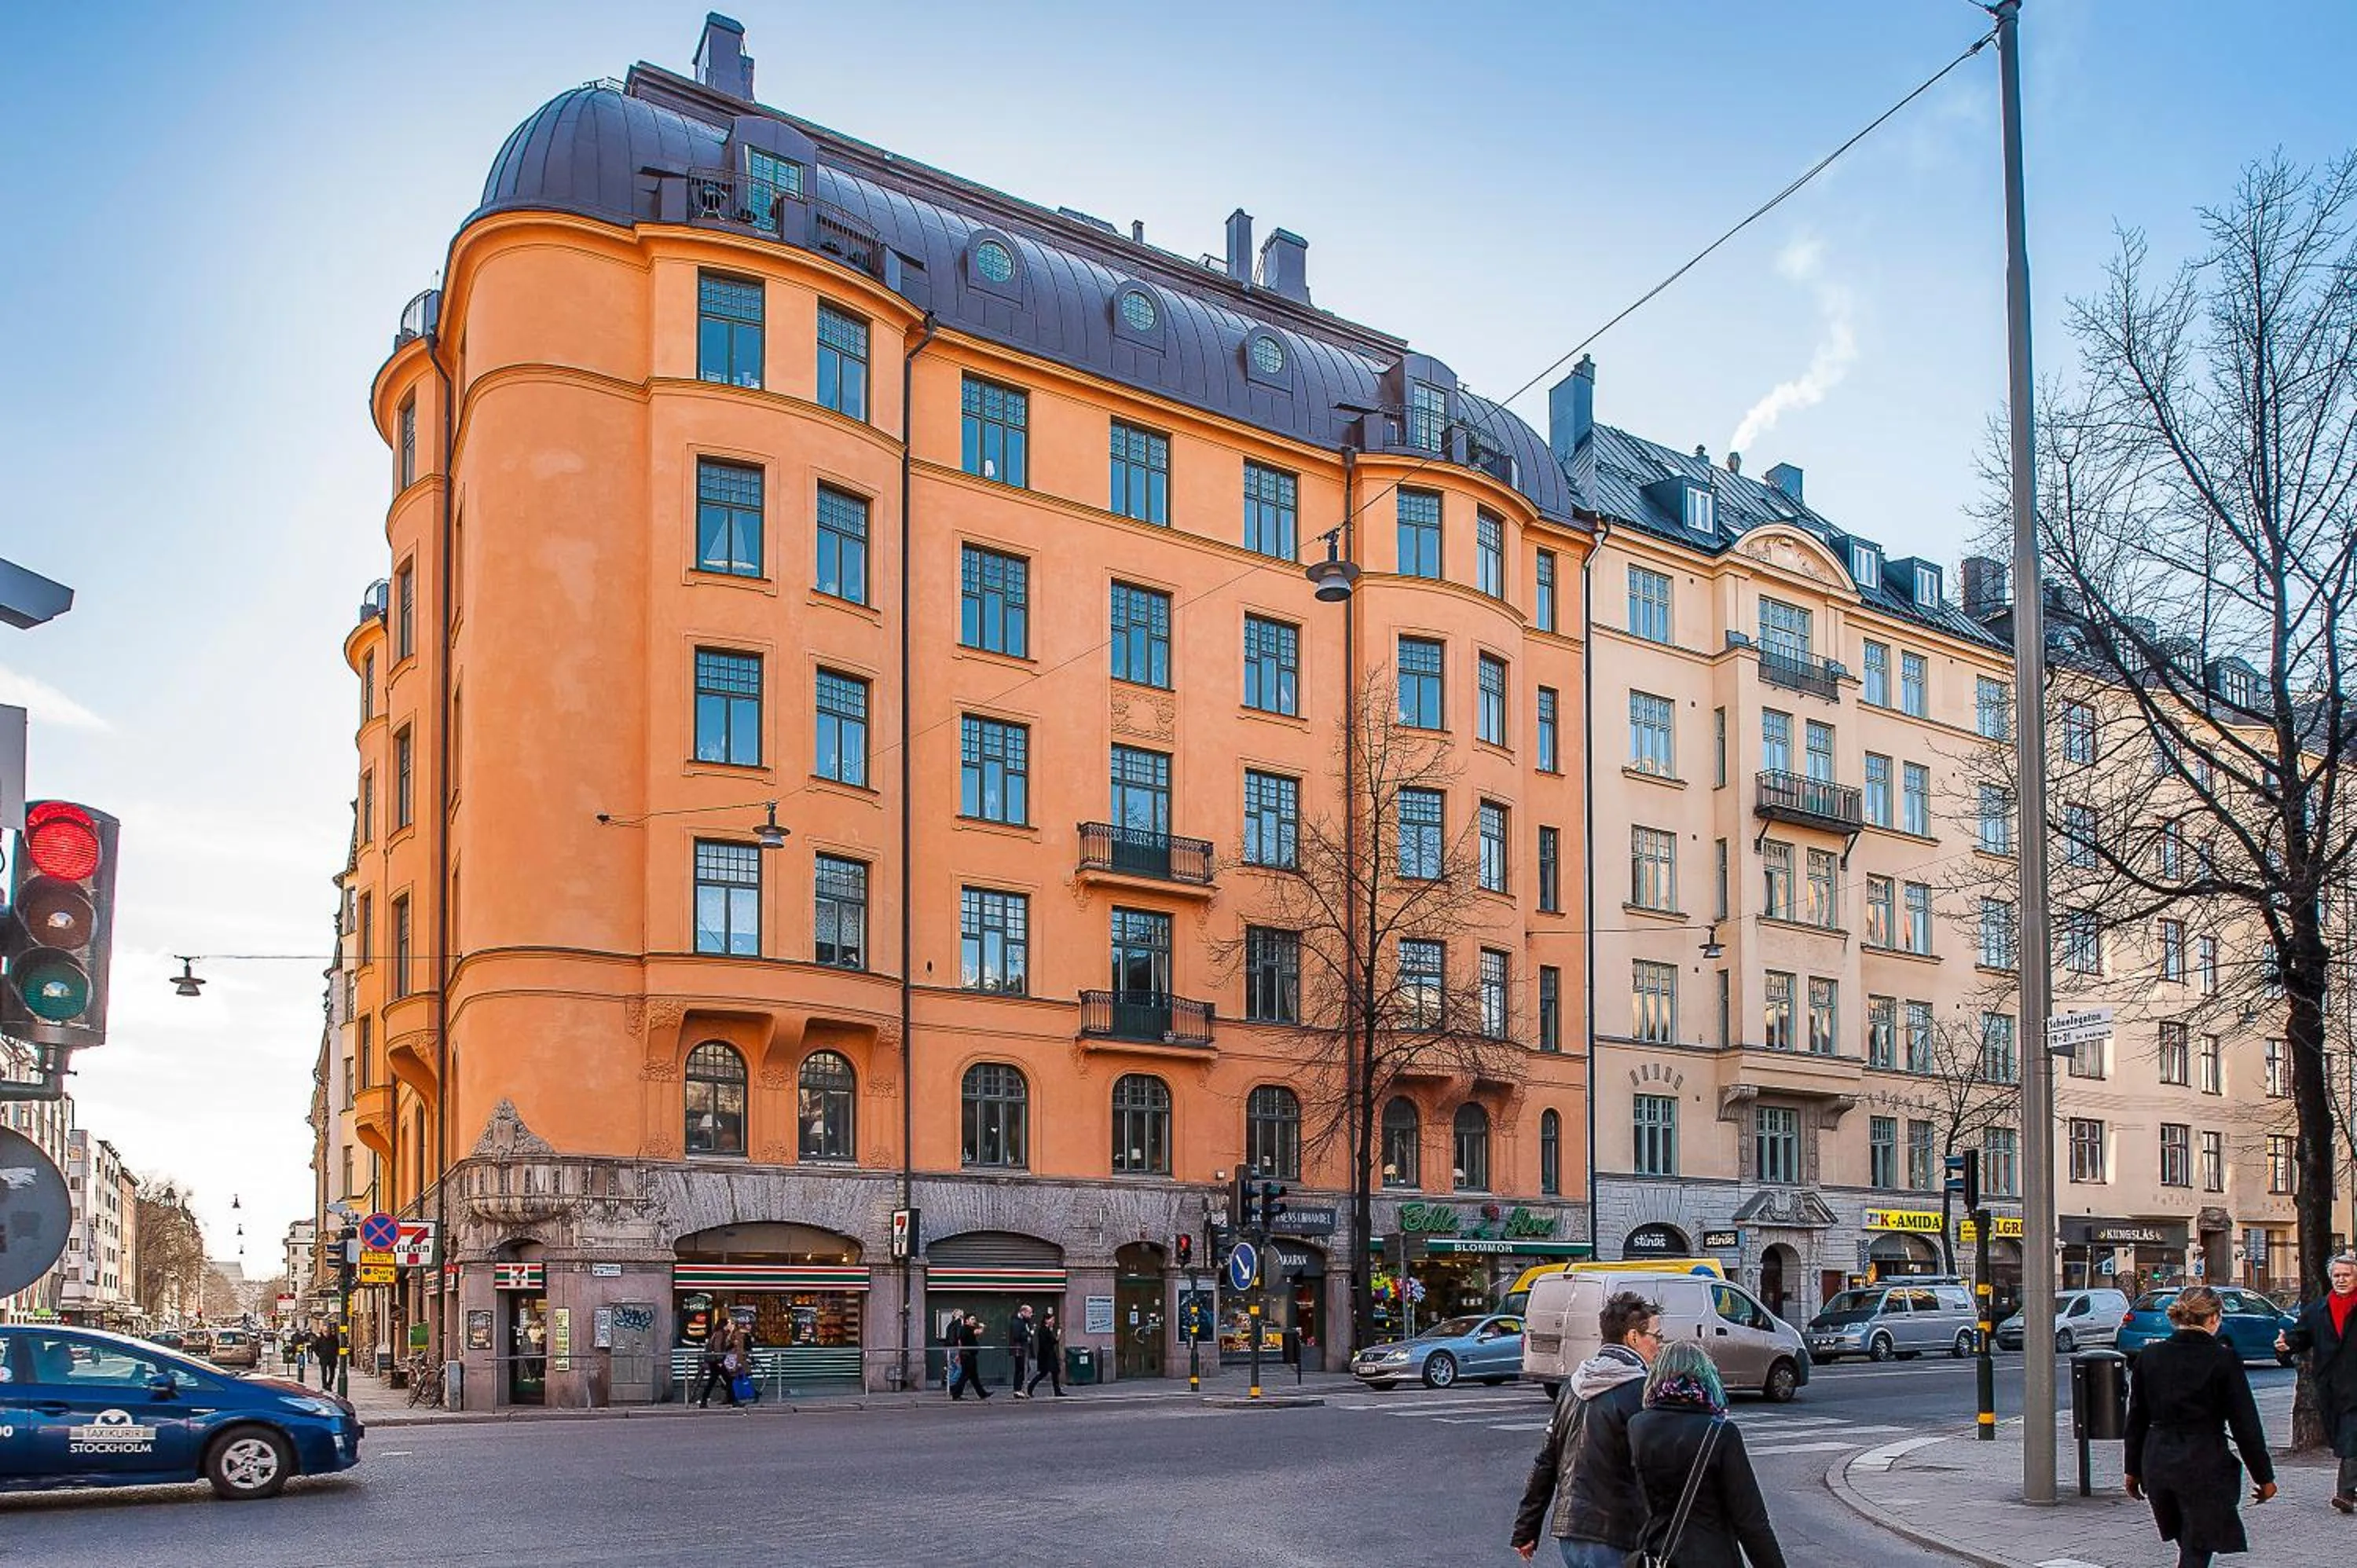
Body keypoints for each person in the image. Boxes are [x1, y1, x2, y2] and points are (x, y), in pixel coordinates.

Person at [2126, 1284, 2276, 1567]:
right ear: (2213, 1318)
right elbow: (2245, 1424)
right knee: (2197, 1546)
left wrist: (2132, 1469)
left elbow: (2136, 1419)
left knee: (2190, 1541)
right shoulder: (2223, 1358)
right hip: (2205, 1460)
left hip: (2158, 1459)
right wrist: (2264, 1476)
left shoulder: (2150, 1357)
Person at [1512, 1289, 1662, 1566]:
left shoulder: (1572, 1386)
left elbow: (1547, 1460)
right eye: (1656, 1336)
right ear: (1632, 1337)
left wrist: (1526, 1527)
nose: (1660, 1344)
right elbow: (1654, 1466)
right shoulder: (1641, 1390)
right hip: (1618, 1531)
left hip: (1572, 1529)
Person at [1624, 1339, 1786, 1568]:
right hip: (1712, 1555)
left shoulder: (1637, 1427)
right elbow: (1750, 1521)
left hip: (1657, 1554)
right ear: (1706, 1378)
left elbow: (1633, 1499)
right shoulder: (1720, 1432)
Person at [2281, 1253, 2357, 1514]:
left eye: (2346, 1275)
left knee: (2351, 1436)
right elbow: (2301, 1337)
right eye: (2336, 1275)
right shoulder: (2317, 1310)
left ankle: (2344, 1493)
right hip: (2332, 1386)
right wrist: (2286, 1344)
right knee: (2343, 1437)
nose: (2341, 1280)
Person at [694, 1318, 740, 1409]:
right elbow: (717, 1348)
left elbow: (722, 1348)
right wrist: (719, 1360)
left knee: (713, 1381)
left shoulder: (719, 1333)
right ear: (724, 1325)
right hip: (717, 1361)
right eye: (728, 1323)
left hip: (714, 1361)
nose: (730, 1325)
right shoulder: (720, 1333)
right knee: (728, 1380)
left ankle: (704, 1401)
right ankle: (734, 1401)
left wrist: (731, 1345)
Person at [1027, 1308, 1065, 1398]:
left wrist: (1057, 1336)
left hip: (1050, 1354)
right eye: (1052, 1320)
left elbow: (1053, 1342)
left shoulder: (1048, 1330)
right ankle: (1030, 1388)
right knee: (1043, 1373)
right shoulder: (1043, 1330)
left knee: (1055, 1372)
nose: (1053, 1321)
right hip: (1046, 1355)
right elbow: (1047, 1343)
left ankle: (1057, 1391)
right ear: (1046, 1320)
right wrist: (1057, 1337)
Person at [1009, 1304, 1036, 1398]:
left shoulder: (1025, 1321)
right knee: (1022, 1369)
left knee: (1022, 1369)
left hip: (1024, 1349)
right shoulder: (1016, 1321)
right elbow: (1017, 1335)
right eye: (1029, 1312)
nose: (1031, 1315)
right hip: (1019, 1348)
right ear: (1023, 1312)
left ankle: (1018, 1389)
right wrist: (1028, 1333)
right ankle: (1017, 1389)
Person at [310, 1324, 339, 1390]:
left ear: (329, 1331)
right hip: (323, 1358)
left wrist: (335, 1353)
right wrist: (319, 1355)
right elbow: (315, 1348)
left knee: (332, 1372)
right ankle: (324, 1385)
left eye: (327, 1331)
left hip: (332, 1358)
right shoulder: (319, 1339)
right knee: (324, 1372)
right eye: (325, 1331)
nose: (326, 1333)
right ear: (322, 1331)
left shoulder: (334, 1338)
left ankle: (329, 1384)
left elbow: (337, 1346)